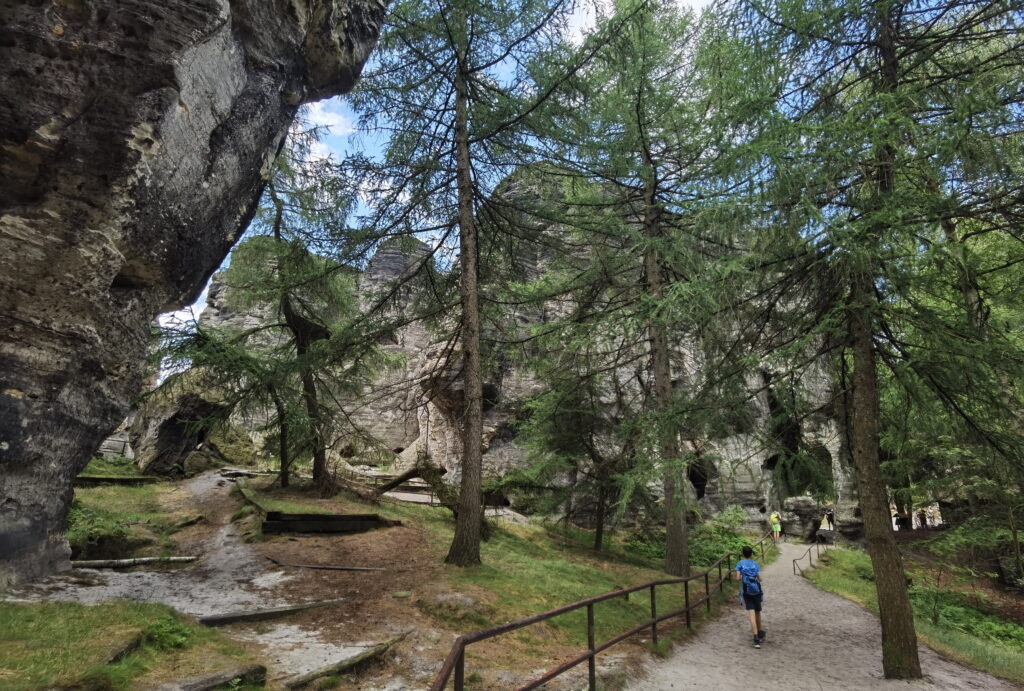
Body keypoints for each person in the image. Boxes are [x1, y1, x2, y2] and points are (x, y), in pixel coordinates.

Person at [735, 545, 765, 648]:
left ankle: (756, 638)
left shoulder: (740, 564)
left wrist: (743, 575)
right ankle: (760, 633)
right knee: (758, 612)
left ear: (743, 554)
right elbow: (760, 579)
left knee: (751, 613)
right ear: (751, 554)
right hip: (756, 590)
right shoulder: (755, 564)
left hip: (747, 591)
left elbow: (738, 578)